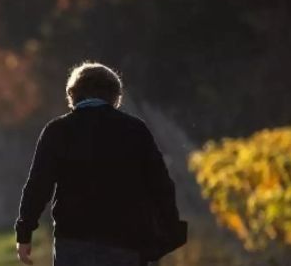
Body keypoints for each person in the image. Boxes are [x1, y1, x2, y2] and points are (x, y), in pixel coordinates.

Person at [14, 62, 184, 266]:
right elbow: (160, 184)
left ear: (72, 95)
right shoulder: (134, 130)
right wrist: (170, 228)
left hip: (74, 240)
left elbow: (38, 186)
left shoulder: (58, 131)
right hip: (125, 240)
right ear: (115, 96)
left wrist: (24, 233)